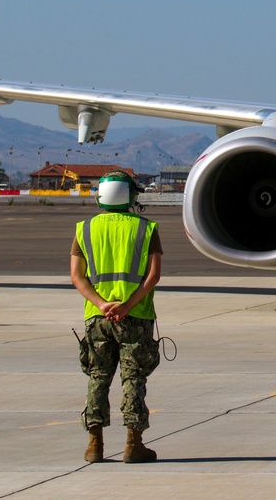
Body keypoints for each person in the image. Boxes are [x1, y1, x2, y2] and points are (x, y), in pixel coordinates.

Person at [70, 170, 163, 464]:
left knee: (98, 376)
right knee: (132, 378)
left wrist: (101, 304)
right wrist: (127, 305)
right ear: (131, 196)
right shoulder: (146, 229)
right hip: (135, 316)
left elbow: (76, 276)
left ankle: (94, 444)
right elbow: (153, 275)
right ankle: (133, 444)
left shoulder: (84, 229)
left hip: (97, 318)